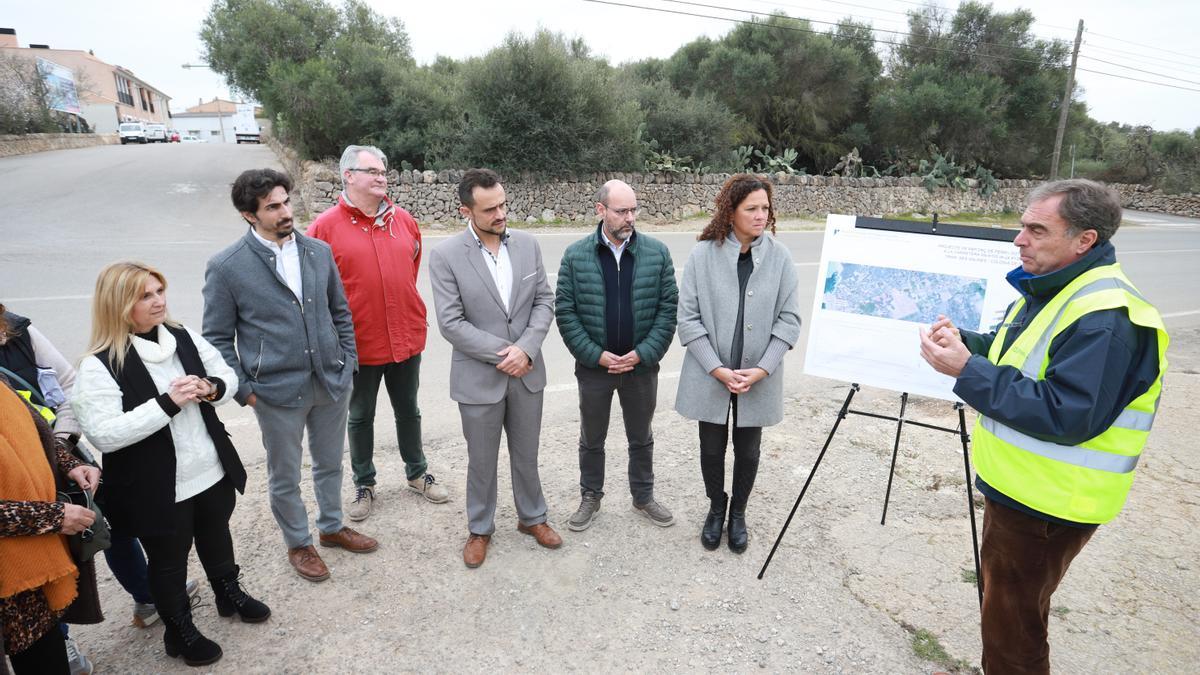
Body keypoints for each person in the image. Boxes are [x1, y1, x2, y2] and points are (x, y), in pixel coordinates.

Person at [918, 178, 1168, 674]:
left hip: (1049, 503)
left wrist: (967, 370)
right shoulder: (1056, 287)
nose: (1019, 240)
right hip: (1023, 490)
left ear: (1085, 240)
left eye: (1036, 229)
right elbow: (1018, 354)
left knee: (1013, 632)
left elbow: (1066, 412)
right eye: (1021, 226)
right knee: (1008, 609)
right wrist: (968, 344)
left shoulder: (1106, 317)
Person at [71, 262, 269, 667]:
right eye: (145, 295)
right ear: (119, 303)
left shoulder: (181, 336)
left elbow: (225, 375)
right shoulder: (99, 363)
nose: (159, 300)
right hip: (157, 484)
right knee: (168, 561)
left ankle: (227, 594)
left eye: (159, 290)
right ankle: (179, 631)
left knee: (216, 533)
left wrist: (210, 387)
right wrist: (168, 402)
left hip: (208, 466)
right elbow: (104, 433)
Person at [0, 304, 198, 675]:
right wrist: (54, 516)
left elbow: (52, 398)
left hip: (49, 479)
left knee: (104, 532)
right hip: (14, 563)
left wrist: (66, 457)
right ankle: (65, 636)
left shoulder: (18, 330)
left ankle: (145, 599)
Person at [203, 169, 377, 583]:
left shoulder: (317, 251)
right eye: (273, 207)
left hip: (331, 382)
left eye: (287, 202)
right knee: (284, 473)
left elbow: (340, 311)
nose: (286, 212)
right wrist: (245, 392)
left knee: (331, 462)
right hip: (275, 392)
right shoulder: (227, 266)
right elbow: (216, 339)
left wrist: (347, 360)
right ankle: (299, 542)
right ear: (249, 215)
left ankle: (332, 527)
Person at [308, 145, 448, 521]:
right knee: (359, 416)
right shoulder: (323, 228)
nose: (382, 176)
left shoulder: (404, 220)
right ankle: (364, 482)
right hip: (356, 344)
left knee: (409, 411)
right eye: (372, 170)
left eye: (383, 170)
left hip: (405, 336)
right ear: (348, 176)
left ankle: (417, 473)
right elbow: (315, 291)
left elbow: (410, 268)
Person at [429, 168, 559, 568]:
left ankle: (532, 518)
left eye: (503, 204)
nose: (501, 214)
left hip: (527, 373)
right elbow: (451, 323)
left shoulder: (527, 245)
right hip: (480, 378)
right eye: (490, 209)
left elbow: (544, 302)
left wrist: (527, 349)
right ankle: (480, 528)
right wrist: (509, 352)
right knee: (481, 460)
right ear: (465, 211)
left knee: (527, 454)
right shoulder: (445, 255)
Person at [675, 174, 802, 553]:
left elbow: (790, 320)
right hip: (710, 373)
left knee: (748, 450)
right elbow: (688, 319)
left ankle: (739, 513)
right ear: (731, 212)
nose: (761, 215)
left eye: (765, 208)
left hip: (757, 376)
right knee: (711, 448)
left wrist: (763, 368)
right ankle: (717, 507)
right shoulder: (702, 255)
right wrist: (715, 367)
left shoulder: (780, 257)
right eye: (752, 209)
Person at [555, 179, 678, 531]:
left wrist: (644, 353)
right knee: (592, 438)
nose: (630, 218)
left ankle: (643, 496)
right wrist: (597, 356)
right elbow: (566, 312)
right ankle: (591, 495)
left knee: (642, 436)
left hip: (641, 368)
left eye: (633, 210)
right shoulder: (576, 255)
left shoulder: (657, 253)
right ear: (601, 211)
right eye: (621, 211)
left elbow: (668, 309)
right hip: (596, 369)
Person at [0, 378, 102, 675]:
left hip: (31, 570)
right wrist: (54, 517)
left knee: (46, 659)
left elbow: (33, 434)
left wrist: (66, 463)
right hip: (14, 571)